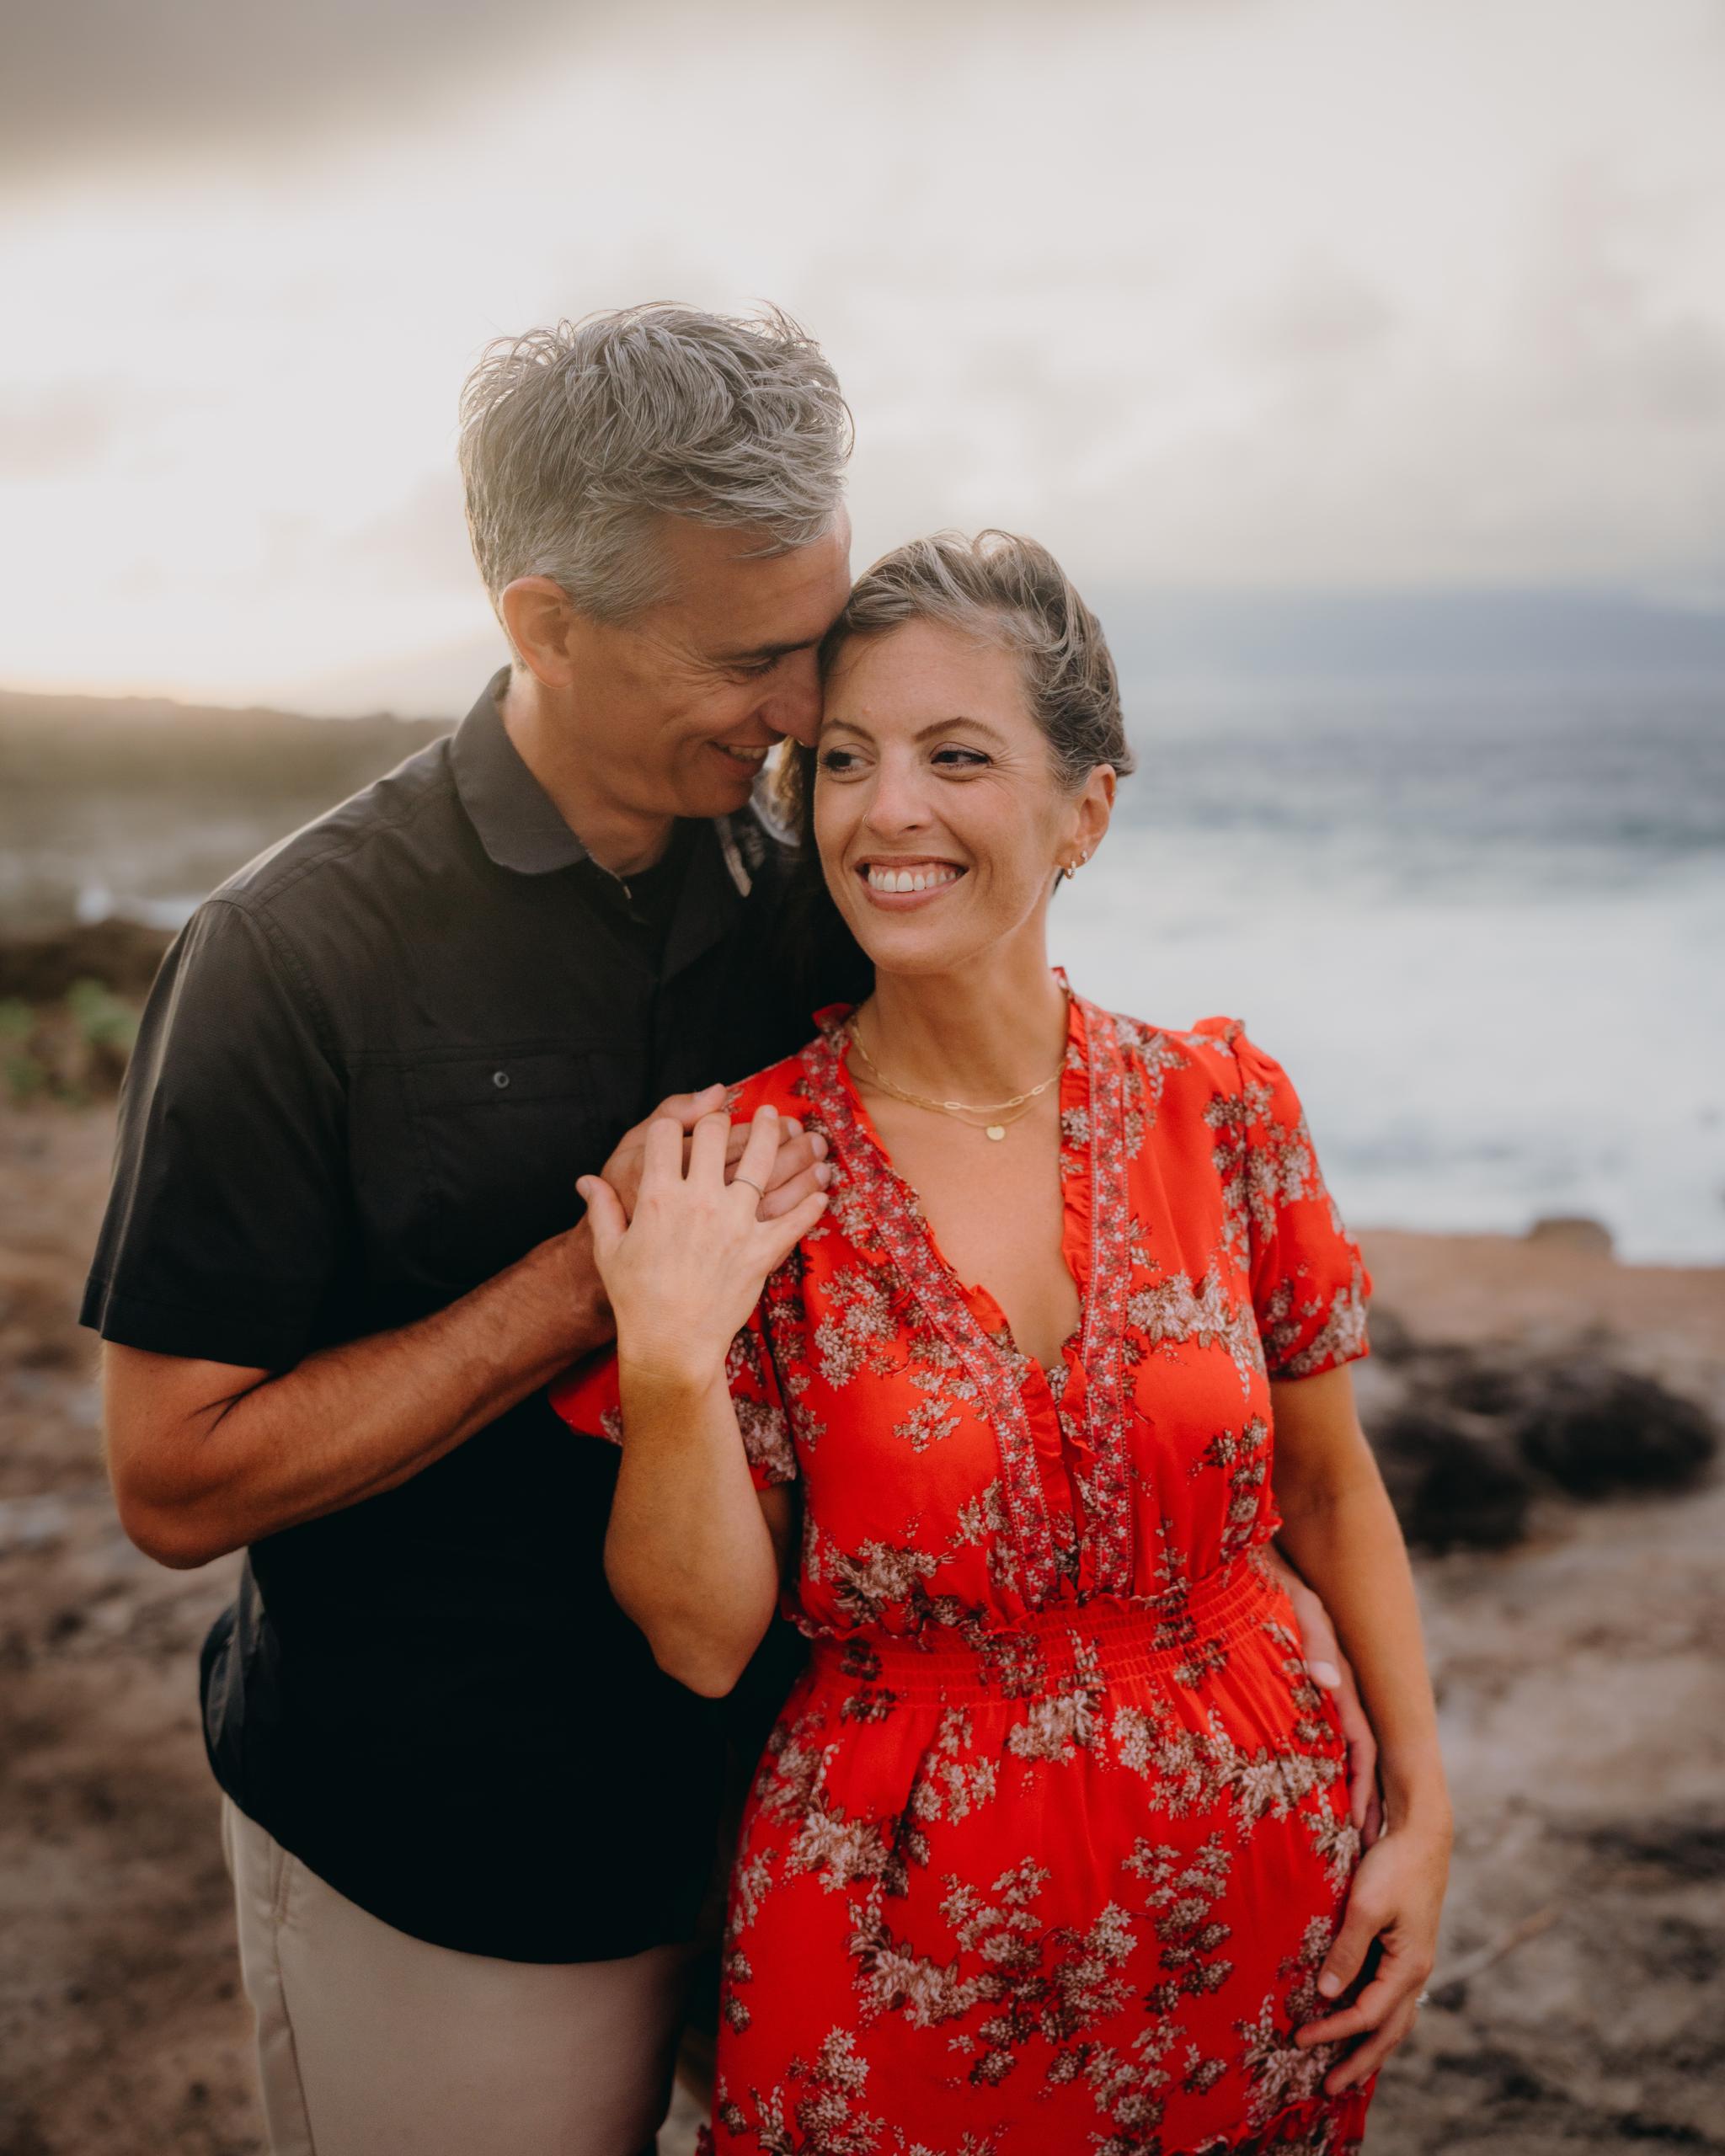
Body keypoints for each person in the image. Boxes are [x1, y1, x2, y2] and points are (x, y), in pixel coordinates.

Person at [87, 303, 1375, 2156]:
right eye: (757, 660)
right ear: (543, 623)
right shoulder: (292, 956)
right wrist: (589, 1284)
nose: (802, 719)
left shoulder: (801, 905)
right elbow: (173, 1481)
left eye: (823, 653)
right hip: (462, 1846)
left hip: (819, 1816)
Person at [556, 531, 1451, 2153]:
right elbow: (698, 1642)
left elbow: (1325, 1496)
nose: (885, 808)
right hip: (901, 1960)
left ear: (1085, 810)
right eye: (843, 761)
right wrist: (674, 1355)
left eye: (954, 756)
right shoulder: (750, 1172)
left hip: (1263, 1907)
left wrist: (1429, 1817)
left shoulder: (1223, 1111)